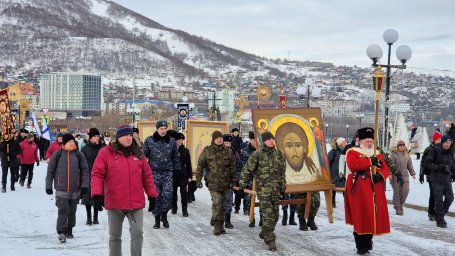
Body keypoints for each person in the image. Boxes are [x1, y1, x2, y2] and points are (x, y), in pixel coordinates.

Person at [91, 125, 158, 255]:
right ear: (118, 137)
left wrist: (152, 195)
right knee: (115, 236)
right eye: (125, 135)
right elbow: (97, 174)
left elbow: (147, 176)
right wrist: (97, 194)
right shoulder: (106, 152)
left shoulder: (139, 153)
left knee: (137, 233)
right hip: (115, 202)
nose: (129, 138)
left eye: (130, 135)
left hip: (135, 203)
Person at [344, 127, 390, 255]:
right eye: (367, 141)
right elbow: (353, 165)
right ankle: (361, 246)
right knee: (361, 216)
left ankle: (368, 240)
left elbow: (385, 168)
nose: (369, 143)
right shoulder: (352, 151)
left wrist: (380, 176)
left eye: (371, 141)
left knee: (372, 216)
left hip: (375, 190)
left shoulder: (376, 153)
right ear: (360, 141)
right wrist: (369, 161)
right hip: (359, 189)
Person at [239, 131, 286, 251]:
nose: (271, 141)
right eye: (269, 139)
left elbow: (282, 173)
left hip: (275, 190)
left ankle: (265, 231)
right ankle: (270, 240)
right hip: (264, 190)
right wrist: (242, 184)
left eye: (272, 139)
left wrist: (282, 187)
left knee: (275, 216)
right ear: (264, 141)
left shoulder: (279, 154)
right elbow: (247, 169)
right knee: (268, 215)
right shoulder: (258, 154)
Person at [45, 133, 90, 243]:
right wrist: (48, 186)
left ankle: (70, 229)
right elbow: (50, 172)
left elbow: (85, 171)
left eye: (73, 141)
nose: (72, 143)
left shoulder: (79, 155)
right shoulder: (57, 155)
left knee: (72, 211)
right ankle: (62, 232)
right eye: (69, 141)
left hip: (75, 189)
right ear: (64, 143)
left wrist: (84, 186)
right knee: (63, 210)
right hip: (61, 188)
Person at [196, 131, 236, 236]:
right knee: (217, 203)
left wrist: (233, 181)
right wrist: (198, 179)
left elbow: (232, 168)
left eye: (220, 137)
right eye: (217, 138)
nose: (219, 139)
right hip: (213, 183)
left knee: (223, 205)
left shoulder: (228, 152)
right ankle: (216, 225)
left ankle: (221, 225)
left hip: (225, 183)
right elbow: (200, 165)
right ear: (213, 139)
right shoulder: (207, 151)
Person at [142, 120, 180, 229]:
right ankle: (157, 219)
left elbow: (176, 156)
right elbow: (143, 156)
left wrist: (177, 170)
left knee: (168, 195)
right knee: (156, 196)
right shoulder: (149, 141)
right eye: (161, 129)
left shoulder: (171, 141)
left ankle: (164, 215)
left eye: (165, 128)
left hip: (168, 172)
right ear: (157, 129)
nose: (163, 131)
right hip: (154, 173)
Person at [423, 135, 455, 228]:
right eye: (446, 142)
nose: (448, 144)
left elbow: (452, 164)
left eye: (449, 142)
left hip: (447, 179)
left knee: (450, 198)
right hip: (436, 179)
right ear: (442, 142)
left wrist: (454, 172)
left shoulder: (451, 152)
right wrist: (439, 167)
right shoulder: (435, 151)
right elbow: (427, 163)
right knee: (439, 200)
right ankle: (440, 220)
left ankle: (439, 214)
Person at [81, 128, 105, 225]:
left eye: (98, 136)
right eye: (94, 136)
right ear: (90, 137)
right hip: (88, 175)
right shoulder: (85, 148)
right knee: (87, 198)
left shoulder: (102, 148)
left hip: (100, 176)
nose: (96, 138)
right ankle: (88, 217)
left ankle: (95, 217)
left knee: (97, 196)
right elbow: (82, 162)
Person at [419, 132, 442, 221]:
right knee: (433, 194)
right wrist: (421, 174)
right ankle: (431, 212)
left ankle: (437, 212)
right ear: (434, 140)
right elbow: (423, 162)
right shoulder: (429, 149)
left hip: (440, 175)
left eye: (440, 139)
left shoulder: (443, 150)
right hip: (430, 175)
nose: (439, 141)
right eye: (438, 140)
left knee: (439, 194)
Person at [389, 140, 416, 215]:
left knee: (405, 191)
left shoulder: (406, 154)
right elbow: (390, 165)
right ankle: (398, 207)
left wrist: (412, 173)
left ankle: (400, 204)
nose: (402, 147)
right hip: (396, 176)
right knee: (397, 192)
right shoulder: (394, 154)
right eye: (400, 146)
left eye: (403, 146)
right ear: (397, 147)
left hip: (405, 176)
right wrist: (390, 174)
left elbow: (409, 166)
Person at [239, 131, 259, 226]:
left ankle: (263, 218)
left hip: (262, 179)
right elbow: (243, 168)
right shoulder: (245, 152)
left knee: (264, 200)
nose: (255, 142)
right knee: (250, 199)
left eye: (257, 140)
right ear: (250, 140)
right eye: (253, 140)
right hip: (250, 179)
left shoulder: (262, 151)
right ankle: (252, 217)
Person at [171, 132, 192, 217]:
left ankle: (184, 210)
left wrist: (190, 176)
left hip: (183, 174)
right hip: (173, 173)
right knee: (174, 192)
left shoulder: (186, 150)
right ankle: (174, 208)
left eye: (182, 140)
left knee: (184, 193)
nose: (180, 141)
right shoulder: (172, 150)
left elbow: (189, 164)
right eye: (179, 140)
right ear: (175, 141)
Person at [327, 137, 347, 208]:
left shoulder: (346, 151)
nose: (346, 143)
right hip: (334, 173)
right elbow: (327, 161)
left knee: (345, 189)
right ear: (340, 144)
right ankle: (333, 201)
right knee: (334, 188)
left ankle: (346, 204)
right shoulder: (333, 151)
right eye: (344, 142)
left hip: (343, 173)